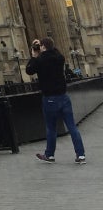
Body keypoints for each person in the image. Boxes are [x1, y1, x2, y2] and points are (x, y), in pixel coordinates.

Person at [25, 36, 87, 164]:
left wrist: (34, 55)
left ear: (42, 47)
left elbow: (29, 70)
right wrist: (46, 46)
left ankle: (50, 155)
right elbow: (54, 51)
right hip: (63, 97)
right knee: (72, 127)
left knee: (51, 128)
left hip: (49, 99)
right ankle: (81, 155)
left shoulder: (40, 60)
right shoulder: (60, 58)